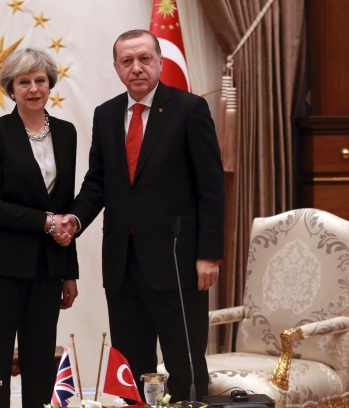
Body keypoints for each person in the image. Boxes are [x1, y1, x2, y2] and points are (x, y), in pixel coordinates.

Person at [62, 30, 224, 402]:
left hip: (178, 262)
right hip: (123, 264)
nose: (136, 68)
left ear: (160, 63)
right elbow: (97, 182)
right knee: (131, 370)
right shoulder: (106, 115)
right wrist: (75, 219)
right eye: (127, 61)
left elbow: (212, 189)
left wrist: (208, 254)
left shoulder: (189, 109)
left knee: (185, 368)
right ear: (116, 67)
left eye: (144, 59)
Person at [0, 47, 79, 408]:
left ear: (50, 84)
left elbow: (64, 207)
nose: (33, 89)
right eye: (24, 82)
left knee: (41, 363)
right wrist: (46, 221)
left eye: (40, 80)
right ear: (10, 88)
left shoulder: (67, 133)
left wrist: (69, 271)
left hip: (48, 267)